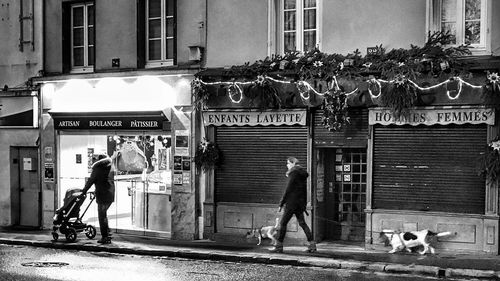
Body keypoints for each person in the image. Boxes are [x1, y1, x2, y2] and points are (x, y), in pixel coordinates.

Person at [270, 157, 316, 253]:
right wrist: (303, 204)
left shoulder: (293, 173)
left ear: (292, 163)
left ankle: (278, 246)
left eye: (288, 163)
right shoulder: (302, 174)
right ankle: (312, 245)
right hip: (299, 204)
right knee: (303, 223)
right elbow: (304, 191)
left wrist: (281, 203)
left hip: (291, 203)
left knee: (283, 223)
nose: (287, 165)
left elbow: (288, 189)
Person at [81, 152, 115, 244]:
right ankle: (108, 234)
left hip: (102, 195)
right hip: (110, 194)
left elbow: (91, 181)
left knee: (102, 216)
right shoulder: (110, 167)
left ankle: (105, 237)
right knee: (104, 215)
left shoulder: (97, 168)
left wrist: (83, 191)